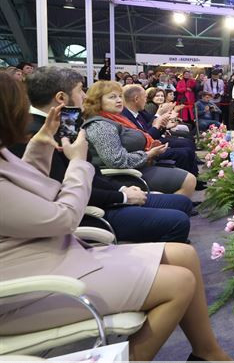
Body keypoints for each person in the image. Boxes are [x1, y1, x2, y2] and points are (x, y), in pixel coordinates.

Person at [0, 78, 233, 363]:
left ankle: (208, 354)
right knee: (179, 283)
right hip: (30, 286)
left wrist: (41, 145)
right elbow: (62, 218)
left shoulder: (6, 153)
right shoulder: (96, 126)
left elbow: (31, 187)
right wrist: (78, 164)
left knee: (185, 255)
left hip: (58, 256)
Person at [10, 67, 192, 243]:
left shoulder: (65, 122)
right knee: (178, 221)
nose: (84, 96)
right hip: (85, 213)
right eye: (80, 90)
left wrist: (121, 190)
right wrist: (123, 197)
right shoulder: (35, 136)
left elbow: (92, 173)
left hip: (100, 192)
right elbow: (62, 191)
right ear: (61, 98)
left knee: (182, 203)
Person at [82, 81, 196, 197]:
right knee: (189, 180)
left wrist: (150, 148)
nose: (119, 100)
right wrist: (148, 154)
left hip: (139, 166)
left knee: (186, 161)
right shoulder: (101, 125)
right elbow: (116, 161)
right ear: (97, 101)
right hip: (124, 176)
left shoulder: (116, 118)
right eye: (112, 97)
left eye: (120, 96)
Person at [121, 84, 199, 177]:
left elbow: (149, 130)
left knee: (187, 146)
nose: (146, 100)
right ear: (136, 99)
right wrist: (158, 120)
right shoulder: (126, 116)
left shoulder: (137, 112)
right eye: (145, 97)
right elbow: (144, 137)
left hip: (152, 142)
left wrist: (164, 126)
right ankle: (188, 179)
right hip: (145, 150)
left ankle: (194, 177)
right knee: (184, 152)